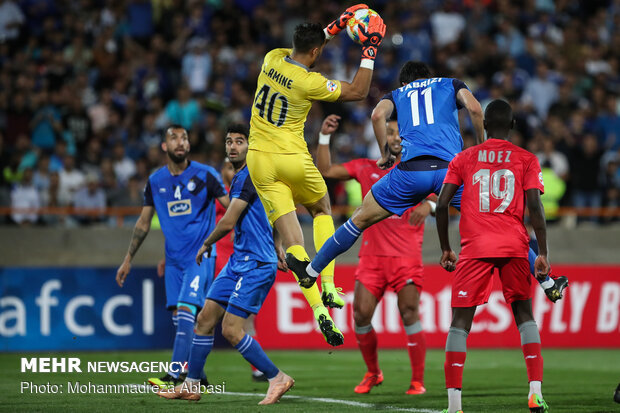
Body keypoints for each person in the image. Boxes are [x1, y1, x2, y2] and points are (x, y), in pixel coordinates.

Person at [296, 61, 568, 303]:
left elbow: (377, 115)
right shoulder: (450, 84)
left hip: (411, 172)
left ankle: (311, 272)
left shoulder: (397, 93)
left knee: (358, 220)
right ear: (429, 76)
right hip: (452, 171)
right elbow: (474, 108)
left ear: (405, 82)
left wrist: (384, 154)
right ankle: (547, 281)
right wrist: (483, 151)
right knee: (504, 224)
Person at [246, 5, 386, 346]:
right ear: (315, 52)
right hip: (291, 156)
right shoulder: (309, 82)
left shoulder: (272, 58)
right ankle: (327, 286)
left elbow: (312, 43)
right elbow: (358, 91)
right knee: (322, 209)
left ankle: (319, 313)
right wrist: (370, 49)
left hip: (259, 161)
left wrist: (337, 26)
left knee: (294, 241)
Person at [159, 125, 294, 404]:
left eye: (239, 142)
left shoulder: (249, 176)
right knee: (204, 319)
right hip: (238, 262)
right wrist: (277, 242)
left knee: (231, 329)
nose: (232, 147)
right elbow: (276, 210)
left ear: (250, 146)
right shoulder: (243, 177)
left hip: (255, 264)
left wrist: (206, 243)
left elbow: (229, 222)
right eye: (229, 142)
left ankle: (276, 377)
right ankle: (192, 385)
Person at [435, 99, 550, 413]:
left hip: (475, 249)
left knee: (460, 324)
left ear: (484, 125)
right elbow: (535, 209)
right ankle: (535, 393)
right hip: (514, 246)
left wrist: (446, 247)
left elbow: (442, 205)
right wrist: (541, 252)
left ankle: (454, 405)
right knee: (524, 317)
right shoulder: (526, 159)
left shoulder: (464, 158)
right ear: (512, 126)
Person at [316, 114, 430, 395]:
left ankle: (417, 381)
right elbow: (326, 169)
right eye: (390, 132)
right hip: (372, 259)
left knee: (409, 313)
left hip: (406, 257)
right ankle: (373, 372)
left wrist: (433, 206)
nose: (394, 138)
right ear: (382, 137)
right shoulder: (366, 168)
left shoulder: (422, 169)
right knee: (361, 315)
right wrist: (324, 136)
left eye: (399, 133)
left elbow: (449, 188)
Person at [115, 124, 229, 388]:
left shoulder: (206, 175)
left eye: (185, 138)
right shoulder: (155, 181)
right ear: (165, 147)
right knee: (181, 317)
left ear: (189, 146)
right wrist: (128, 258)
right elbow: (143, 223)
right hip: (174, 261)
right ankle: (198, 377)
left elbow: (232, 209)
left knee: (187, 310)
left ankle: (175, 375)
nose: (180, 142)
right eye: (174, 138)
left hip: (200, 257)